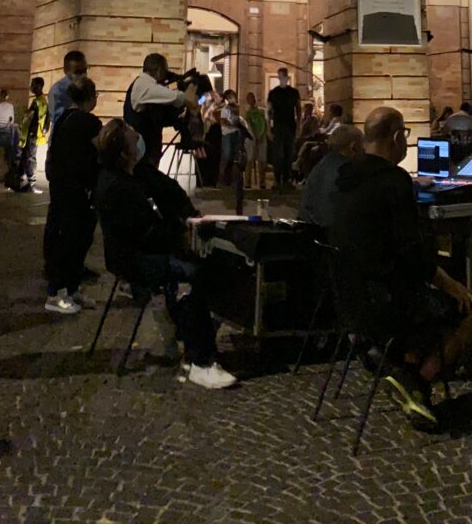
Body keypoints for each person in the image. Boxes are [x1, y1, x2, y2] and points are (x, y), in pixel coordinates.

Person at [331, 107, 472, 427]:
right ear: (397, 136)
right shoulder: (393, 181)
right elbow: (413, 254)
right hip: (387, 307)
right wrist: (452, 285)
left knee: (424, 297)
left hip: (350, 303)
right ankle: (417, 383)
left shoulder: (344, 178)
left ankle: (404, 368)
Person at [93, 117, 240, 389]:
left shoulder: (122, 177)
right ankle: (200, 359)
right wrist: (180, 237)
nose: (140, 143)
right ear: (125, 152)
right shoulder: (120, 186)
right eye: (134, 138)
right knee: (195, 273)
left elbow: (156, 212)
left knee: (199, 266)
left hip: (135, 254)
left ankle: (189, 332)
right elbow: (146, 233)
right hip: (137, 260)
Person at [42, 77, 105, 314]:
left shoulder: (63, 118)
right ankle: (57, 293)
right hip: (79, 190)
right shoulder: (88, 121)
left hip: (62, 187)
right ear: (91, 97)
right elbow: (101, 149)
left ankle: (70, 289)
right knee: (73, 242)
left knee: (72, 240)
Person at [299, 122, 363, 228]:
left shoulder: (322, 165)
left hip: (309, 230)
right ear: (353, 147)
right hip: (329, 234)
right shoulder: (348, 172)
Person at [267, 68, 301, 183]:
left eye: (283, 76)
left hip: (289, 125)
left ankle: (286, 178)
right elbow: (269, 111)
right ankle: (278, 178)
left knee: (288, 153)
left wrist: (298, 126)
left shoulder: (293, 92)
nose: (282, 78)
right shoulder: (274, 93)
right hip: (279, 125)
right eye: (280, 76)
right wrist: (268, 128)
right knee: (278, 153)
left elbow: (298, 109)